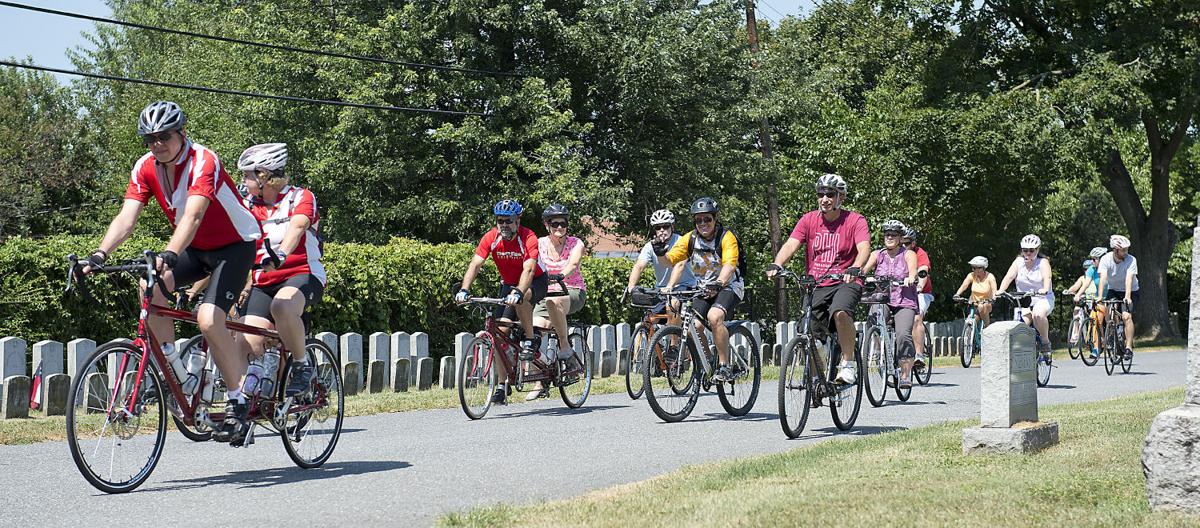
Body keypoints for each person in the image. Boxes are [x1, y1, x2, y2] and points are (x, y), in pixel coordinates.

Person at [82, 101, 261, 443]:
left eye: (164, 136)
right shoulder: (146, 167)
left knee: (209, 320)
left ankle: (240, 398)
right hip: (195, 248)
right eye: (149, 139)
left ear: (181, 133)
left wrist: (169, 253)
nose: (157, 144)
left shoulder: (203, 161)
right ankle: (173, 369)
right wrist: (100, 253)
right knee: (149, 285)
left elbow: (192, 217)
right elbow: (127, 217)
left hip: (234, 246)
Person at [237, 143, 325, 411]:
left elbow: (298, 227)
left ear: (265, 177)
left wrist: (282, 254)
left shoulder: (301, 197)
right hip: (265, 282)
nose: (243, 181)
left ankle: (301, 365)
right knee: (244, 340)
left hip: (302, 274)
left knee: (282, 306)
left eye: (248, 175)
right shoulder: (247, 205)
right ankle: (254, 399)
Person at [767, 173, 870, 385]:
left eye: (830, 194)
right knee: (810, 334)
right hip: (817, 284)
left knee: (840, 312)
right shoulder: (809, 220)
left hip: (846, 281)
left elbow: (864, 248)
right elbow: (790, 244)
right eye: (821, 194)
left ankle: (848, 364)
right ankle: (817, 377)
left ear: (840, 197)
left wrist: (855, 267)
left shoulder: (855, 220)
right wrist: (778, 264)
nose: (824, 199)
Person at [455, 199, 546, 404]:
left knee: (522, 298)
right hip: (508, 283)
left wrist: (520, 292)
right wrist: (464, 289)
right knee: (498, 335)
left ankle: (530, 338)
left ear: (518, 220)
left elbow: (529, 269)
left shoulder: (528, 237)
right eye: (500, 221)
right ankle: (502, 385)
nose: (504, 225)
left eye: (508, 221)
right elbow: (476, 264)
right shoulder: (491, 237)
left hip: (535, 281)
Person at [663, 197, 744, 382]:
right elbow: (670, 261)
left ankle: (724, 366)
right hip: (703, 289)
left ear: (715, 219)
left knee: (714, 317)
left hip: (728, 286)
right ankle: (709, 364)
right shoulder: (689, 239)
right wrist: (661, 252)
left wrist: (720, 282)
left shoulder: (726, 237)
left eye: (707, 219)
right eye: (698, 220)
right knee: (694, 326)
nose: (703, 223)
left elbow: (730, 264)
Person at [525, 204, 586, 400]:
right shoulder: (539, 243)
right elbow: (530, 264)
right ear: (547, 225)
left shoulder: (576, 243)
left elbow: (573, 263)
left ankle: (565, 348)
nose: (559, 227)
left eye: (563, 223)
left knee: (555, 302)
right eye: (555, 223)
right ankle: (540, 380)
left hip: (572, 291)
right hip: (546, 293)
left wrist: (560, 276)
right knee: (532, 333)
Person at [861, 220, 920, 388]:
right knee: (873, 320)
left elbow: (913, 270)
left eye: (893, 235)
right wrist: (860, 276)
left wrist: (911, 277)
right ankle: (879, 352)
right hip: (882, 298)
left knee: (903, 334)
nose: (889, 237)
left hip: (904, 300)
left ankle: (905, 374)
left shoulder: (908, 254)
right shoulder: (877, 254)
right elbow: (864, 270)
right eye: (887, 234)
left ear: (900, 238)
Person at [997, 234, 1055, 360]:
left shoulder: (1043, 262)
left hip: (1042, 298)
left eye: (1031, 250)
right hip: (1024, 300)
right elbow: (1009, 277)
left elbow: (1047, 277)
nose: (1028, 253)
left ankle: (1045, 343)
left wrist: (1045, 289)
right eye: (1025, 250)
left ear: (1038, 249)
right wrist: (1000, 290)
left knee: (1038, 315)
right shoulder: (1018, 262)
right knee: (1019, 327)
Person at [1097, 235, 1138, 361]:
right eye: (1123, 250)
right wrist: (1099, 296)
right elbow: (1103, 278)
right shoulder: (1105, 259)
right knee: (1109, 312)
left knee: (1126, 316)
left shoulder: (1131, 260)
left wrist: (1127, 296)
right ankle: (1112, 333)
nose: (1126, 252)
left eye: (1127, 249)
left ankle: (1129, 348)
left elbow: (1129, 279)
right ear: (1115, 250)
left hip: (1130, 290)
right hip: (1113, 289)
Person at [1065, 247, 1106, 358]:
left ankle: (1115, 335)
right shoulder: (1091, 270)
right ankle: (1096, 348)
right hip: (1096, 300)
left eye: (1094, 259)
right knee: (1096, 322)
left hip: (1108, 297)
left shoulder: (1108, 268)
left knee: (1110, 316)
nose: (1092, 262)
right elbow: (1084, 284)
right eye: (1091, 259)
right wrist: (1077, 295)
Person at [902, 228, 933, 370]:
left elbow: (923, 271)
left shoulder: (920, 253)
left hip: (920, 292)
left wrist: (919, 286)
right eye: (900, 242)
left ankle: (919, 355)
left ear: (913, 243)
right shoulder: (894, 253)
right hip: (899, 291)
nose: (903, 246)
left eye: (906, 243)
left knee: (916, 317)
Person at [953, 256, 997, 325]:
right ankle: (969, 334)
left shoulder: (990, 277)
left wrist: (994, 297)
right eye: (973, 268)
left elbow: (994, 290)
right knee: (971, 323)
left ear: (982, 268)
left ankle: (987, 328)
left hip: (987, 304)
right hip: (974, 304)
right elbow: (964, 285)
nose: (973, 270)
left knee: (982, 306)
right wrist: (957, 294)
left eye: (975, 268)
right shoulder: (971, 275)